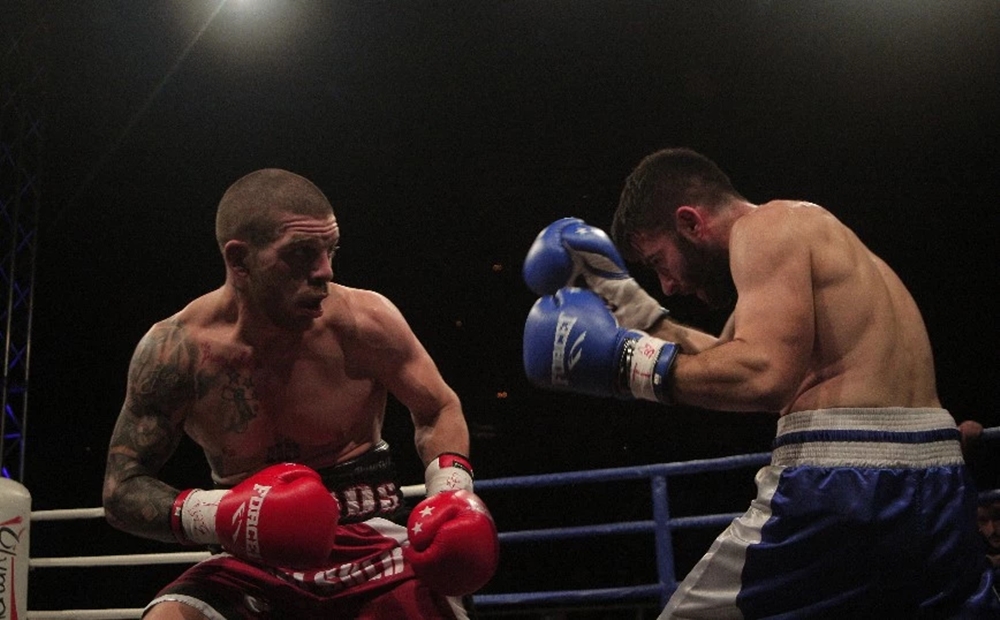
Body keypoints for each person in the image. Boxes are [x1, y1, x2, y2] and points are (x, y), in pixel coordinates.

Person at [521, 147, 999, 617]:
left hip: (846, 487)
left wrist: (626, 364)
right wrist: (626, 301)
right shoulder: (819, 239)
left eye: (658, 262)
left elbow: (764, 377)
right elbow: (727, 359)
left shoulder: (765, 226)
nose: (667, 285)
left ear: (690, 223)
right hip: (940, 481)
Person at [102, 168, 499, 619]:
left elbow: (438, 407)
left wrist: (450, 494)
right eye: (301, 253)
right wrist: (228, 515)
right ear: (240, 260)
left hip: (373, 542)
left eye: (331, 250)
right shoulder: (179, 351)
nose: (325, 271)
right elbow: (122, 487)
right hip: (252, 561)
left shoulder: (364, 321)